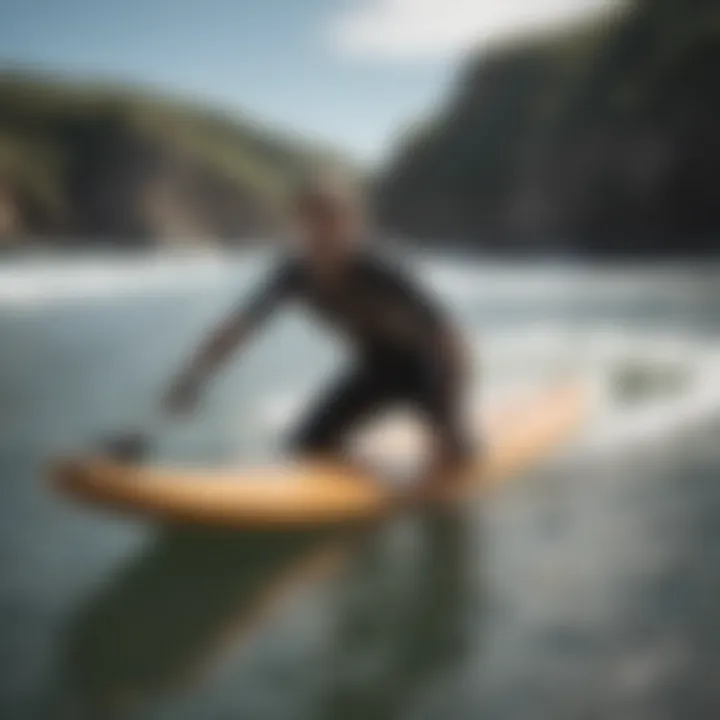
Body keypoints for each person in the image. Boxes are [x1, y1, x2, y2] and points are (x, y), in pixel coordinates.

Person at [164, 174, 472, 501]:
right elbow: (238, 329)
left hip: (426, 368)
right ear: (300, 227)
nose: (324, 234)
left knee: (455, 458)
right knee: (306, 447)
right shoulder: (294, 273)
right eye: (313, 223)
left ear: (354, 225)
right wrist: (193, 377)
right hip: (376, 369)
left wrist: (449, 414)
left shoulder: (379, 270)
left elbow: (450, 340)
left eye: (334, 222)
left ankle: (450, 448)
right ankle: (363, 488)